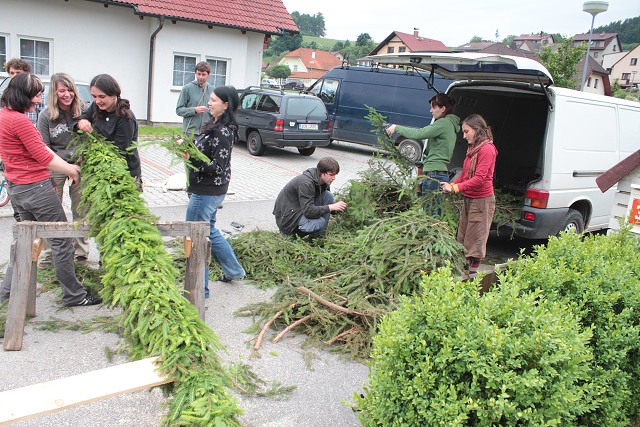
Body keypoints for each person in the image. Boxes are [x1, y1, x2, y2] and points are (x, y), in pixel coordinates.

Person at [0, 73, 101, 306]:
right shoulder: (20, 121)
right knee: (61, 241)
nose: (38, 100)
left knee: (24, 241)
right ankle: (74, 295)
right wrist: (71, 169)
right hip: (37, 189)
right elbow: (43, 155)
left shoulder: (3, 116)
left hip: (17, 189)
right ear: (22, 95)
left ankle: (6, 294)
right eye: (36, 95)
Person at [185, 85, 245, 299]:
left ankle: (200, 291)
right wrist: (190, 148)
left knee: (196, 238)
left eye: (213, 100)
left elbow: (216, 167)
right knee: (208, 231)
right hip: (211, 191)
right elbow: (206, 153)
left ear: (225, 105)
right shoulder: (218, 125)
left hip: (206, 192)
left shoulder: (222, 131)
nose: (209, 103)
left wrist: (189, 157)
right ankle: (234, 270)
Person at [37, 73, 89, 265]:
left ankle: (80, 252)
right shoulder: (46, 116)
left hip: (81, 164)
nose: (67, 94)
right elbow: (43, 147)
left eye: (69, 90)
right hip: (56, 164)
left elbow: (92, 139)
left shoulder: (84, 109)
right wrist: (65, 167)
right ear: (54, 93)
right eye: (62, 91)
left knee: (81, 208)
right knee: (52, 210)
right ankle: (51, 254)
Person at [441, 114, 498, 276]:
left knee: (476, 237)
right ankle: (463, 271)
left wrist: (457, 188)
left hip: (482, 201)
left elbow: (479, 179)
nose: (464, 136)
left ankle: (472, 276)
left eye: (466, 131)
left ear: (477, 130)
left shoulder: (487, 149)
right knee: (464, 234)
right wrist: (452, 185)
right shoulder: (473, 149)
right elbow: (465, 175)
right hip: (470, 198)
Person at [385, 93, 460, 208]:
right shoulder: (450, 124)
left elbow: (419, 133)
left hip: (434, 174)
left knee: (430, 212)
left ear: (443, 108)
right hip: (440, 172)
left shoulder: (443, 123)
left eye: (433, 107)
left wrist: (396, 128)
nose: (431, 111)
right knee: (434, 212)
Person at [76, 74, 142, 189]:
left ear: (114, 94)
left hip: (123, 173)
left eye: (102, 96)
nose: (97, 101)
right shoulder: (96, 107)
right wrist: (82, 121)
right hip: (101, 170)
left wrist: (92, 133)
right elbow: (84, 116)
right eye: (94, 96)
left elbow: (117, 152)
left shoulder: (125, 118)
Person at [273, 157, 348, 238]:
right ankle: (292, 236)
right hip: (286, 217)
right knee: (319, 222)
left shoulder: (324, 181)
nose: (334, 178)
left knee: (328, 195)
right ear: (322, 172)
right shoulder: (306, 183)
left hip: (300, 208)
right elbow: (309, 211)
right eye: (331, 175)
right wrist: (330, 207)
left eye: (335, 174)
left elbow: (326, 205)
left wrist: (338, 209)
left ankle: (318, 237)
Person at [176, 61, 214, 137]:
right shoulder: (187, 88)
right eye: (198, 74)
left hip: (206, 133)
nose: (201, 77)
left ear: (208, 75)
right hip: (190, 132)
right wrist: (194, 110)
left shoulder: (213, 90)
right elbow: (179, 110)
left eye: (203, 74)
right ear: (195, 73)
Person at [5, 58, 43, 125]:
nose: (14, 76)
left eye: (18, 73)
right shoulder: (6, 93)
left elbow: (41, 112)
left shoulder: (37, 90)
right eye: (12, 73)